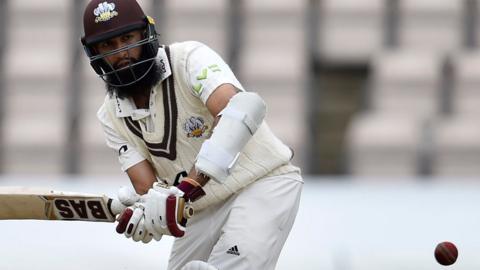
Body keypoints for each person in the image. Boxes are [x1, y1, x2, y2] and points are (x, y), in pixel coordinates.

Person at [81, 0, 303, 269]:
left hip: (262, 183)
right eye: (108, 46)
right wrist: (146, 210)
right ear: (95, 54)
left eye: (128, 38)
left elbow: (242, 108)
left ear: (145, 34)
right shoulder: (110, 115)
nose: (122, 52)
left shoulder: (189, 58)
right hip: (200, 209)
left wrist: (188, 187)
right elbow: (151, 189)